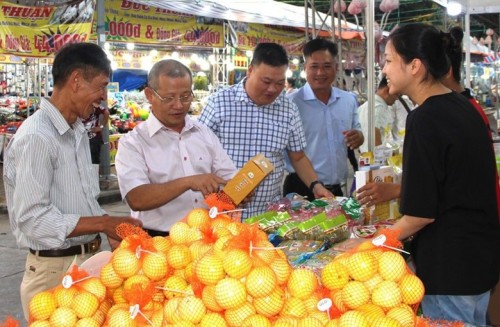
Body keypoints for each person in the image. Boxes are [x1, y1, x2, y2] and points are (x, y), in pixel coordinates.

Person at [346, 23, 500, 325]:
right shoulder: (464, 105)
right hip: (478, 258)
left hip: (451, 268)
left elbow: (421, 214)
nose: (384, 69)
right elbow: (447, 183)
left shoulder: (425, 118)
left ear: (415, 66)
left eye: (389, 60)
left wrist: (374, 242)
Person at [2, 42, 142, 320]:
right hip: (53, 274)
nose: (103, 97)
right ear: (76, 80)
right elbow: (32, 219)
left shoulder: (76, 130)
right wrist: (103, 223)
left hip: (85, 264)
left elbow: (80, 201)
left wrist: (106, 226)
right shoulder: (37, 137)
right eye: (101, 86)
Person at [199, 43, 332, 219]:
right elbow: (198, 152)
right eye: (266, 81)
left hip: (268, 217)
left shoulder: (288, 110)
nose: (272, 89)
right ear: (250, 71)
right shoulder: (219, 103)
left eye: (279, 83)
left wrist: (316, 185)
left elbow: (298, 157)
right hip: (224, 213)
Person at [115, 59, 238, 236]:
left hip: (206, 236)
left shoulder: (204, 134)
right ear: (150, 95)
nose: (179, 105)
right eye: (169, 98)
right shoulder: (133, 143)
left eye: (186, 96)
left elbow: (228, 178)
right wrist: (189, 182)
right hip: (158, 239)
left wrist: (238, 192)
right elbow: (137, 198)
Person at [284, 38, 364, 199]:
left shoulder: (348, 100)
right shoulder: (290, 104)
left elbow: (358, 133)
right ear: (305, 68)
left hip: (335, 190)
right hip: (301, 190)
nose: (320, 73)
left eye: (327, 66)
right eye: (314, 67)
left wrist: (358, 137)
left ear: (336, 68)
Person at [358, 76, 399, 153]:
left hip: (365, 157)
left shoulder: (364, 107)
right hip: (376, 160)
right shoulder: (379, 108)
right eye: (396, 94)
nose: (397, 98)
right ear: (387, 90)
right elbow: (375, 140)